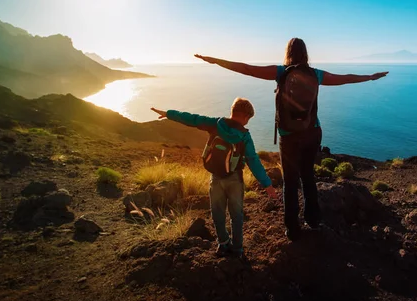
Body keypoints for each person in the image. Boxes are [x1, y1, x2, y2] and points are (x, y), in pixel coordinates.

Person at [195, 38, 388, 241]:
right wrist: (369, 77)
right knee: (308, 177)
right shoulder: (316, 75)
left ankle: (292, 229)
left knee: (290, 181)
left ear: (288, 52)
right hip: (312, 132)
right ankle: (313, 220)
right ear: (306, 53)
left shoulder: (281, 73)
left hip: (288, 136)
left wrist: (215, 60)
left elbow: (247, 69)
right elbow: (345, 78)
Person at [150, 98, 278, 257]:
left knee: (217, 213)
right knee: (236, 215)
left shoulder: (215, 124)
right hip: (235, 179)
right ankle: (237, 249)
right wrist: (267, 184)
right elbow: (253, 160)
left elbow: (192, 118)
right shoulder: (244, 136)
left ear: (232, 110)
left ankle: (223, 243)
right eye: (248, 120)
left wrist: (169, 114)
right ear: (245, 117)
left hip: (216, 178)